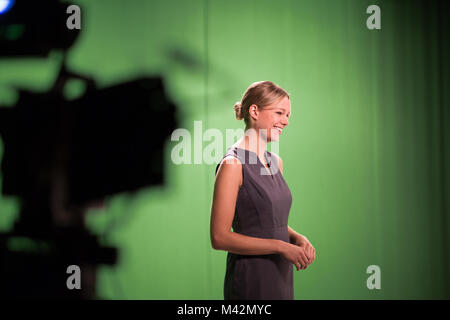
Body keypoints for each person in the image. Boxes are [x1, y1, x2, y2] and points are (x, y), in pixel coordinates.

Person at [210, 80, 316, 300]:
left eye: (288, 115)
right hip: (251, 279)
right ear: (254, 111)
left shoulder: (276, 162)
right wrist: (280, 247)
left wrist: (297, 238)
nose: (285, 121)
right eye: (279, 113)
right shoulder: (233, 164)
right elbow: (219, 237)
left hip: (281, 276)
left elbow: (268, 221)